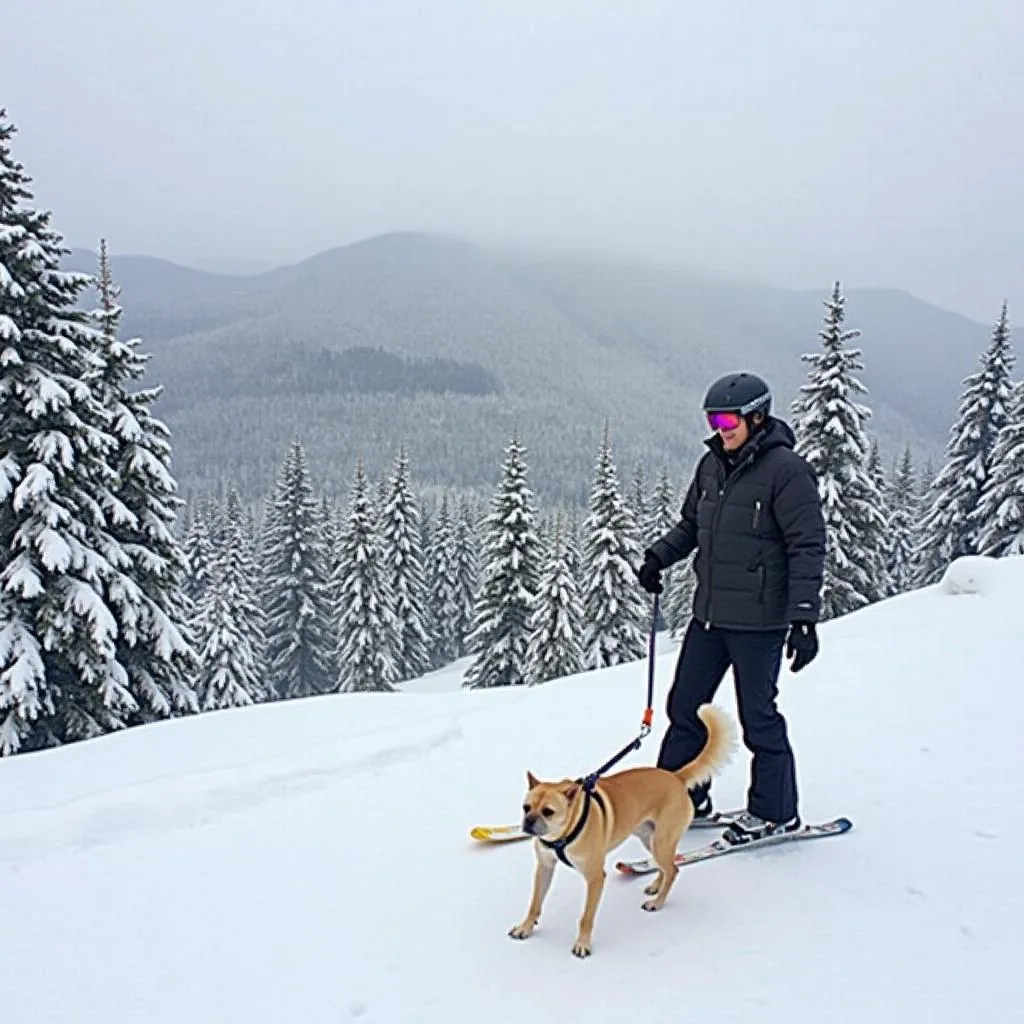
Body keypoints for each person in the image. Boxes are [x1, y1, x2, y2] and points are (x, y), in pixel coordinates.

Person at [635, 371, 826, 845]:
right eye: (712, 418)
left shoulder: (787, 470)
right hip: (710, 615)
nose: (719, 427)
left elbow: (807, 544)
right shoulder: (711, 465)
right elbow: (691, 525)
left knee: (758, 714)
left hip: (760, 622)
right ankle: (682, 799)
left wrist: (804, 617)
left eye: (726, 418)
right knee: (685, 708)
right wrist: (658, 556)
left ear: (756, 416)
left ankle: (776, 811)